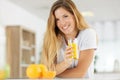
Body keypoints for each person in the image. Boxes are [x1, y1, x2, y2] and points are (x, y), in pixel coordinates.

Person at [40, 0, 97, 79]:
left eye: (65, 16)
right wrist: (65, 63)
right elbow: (47, 69)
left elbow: (80, 73)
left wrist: (53, 72)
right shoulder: (53, 39)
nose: (62, 23)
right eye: (57, 19)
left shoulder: (88, 34)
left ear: (74, 15)